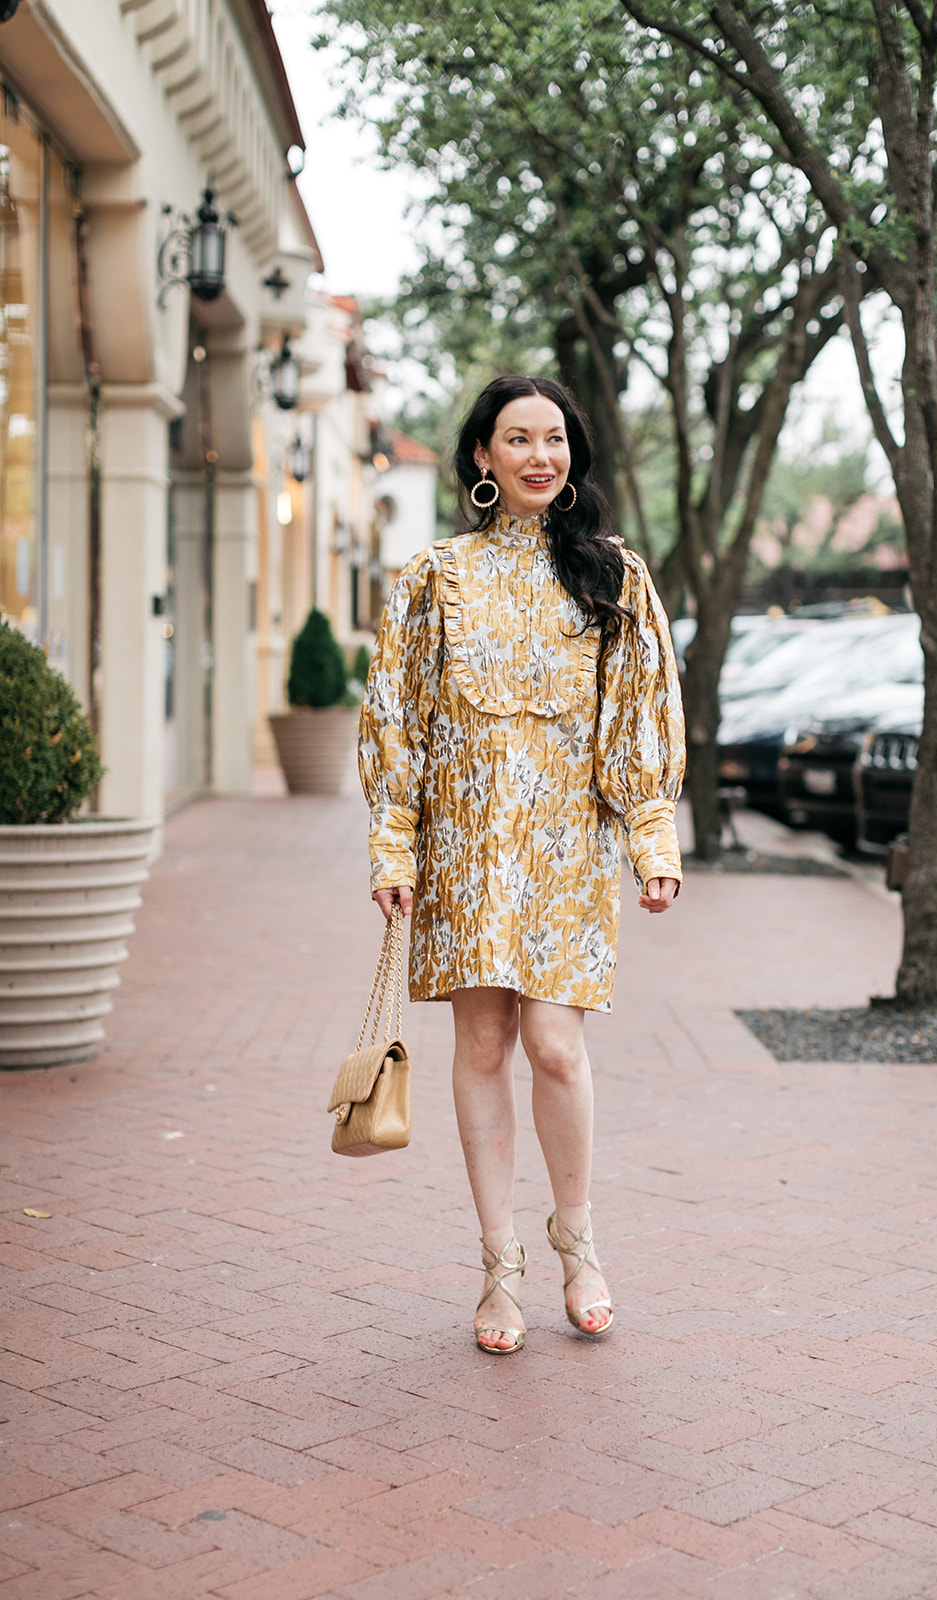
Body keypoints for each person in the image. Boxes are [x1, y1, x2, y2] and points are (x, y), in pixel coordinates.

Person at [359, 375, 685, 1353]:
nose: (538, 455)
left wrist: (649, 836)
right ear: (481, 458)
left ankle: (576, 1239)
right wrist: (393, 841)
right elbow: (395, 718)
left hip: (564, 851)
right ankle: (498, 1265)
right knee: (483, 1048)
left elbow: (638, 715)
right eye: (517, 439)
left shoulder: (611, 575)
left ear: (570, 458)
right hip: (462, 848)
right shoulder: (431, 577)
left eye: (553, 439)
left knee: (554, 1045)